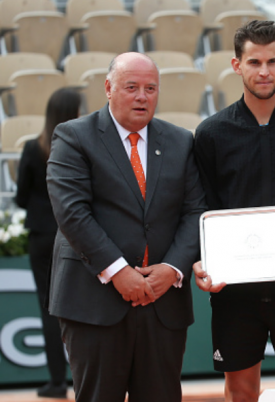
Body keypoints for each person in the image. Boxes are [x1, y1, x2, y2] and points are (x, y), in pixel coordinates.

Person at [46, 52, 206, 402]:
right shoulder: (73, 136)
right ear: (108, 88)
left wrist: (172, 268)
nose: (142, 96)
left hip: (163, 303)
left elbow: (196, 212)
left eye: (151, 88)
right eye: (131, 87)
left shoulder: (180, 141)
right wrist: (119, 271)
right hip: (95, 303)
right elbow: (72, 212)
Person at [192, 20, 275, 402]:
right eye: (253, 62)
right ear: (237, 66)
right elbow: (203, 207)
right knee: (240, 392)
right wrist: (203, 261)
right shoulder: (211, 133)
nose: (263, 71)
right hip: (236, 291)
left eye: (271, 61)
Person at [15, 88, 80, 398]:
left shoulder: (33, 148)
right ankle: (84, 379)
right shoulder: (84, 146)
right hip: (77, 237)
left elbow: (20, 197)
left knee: (49, 309)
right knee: (80, 308)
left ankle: (57, 382)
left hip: (42, 236)